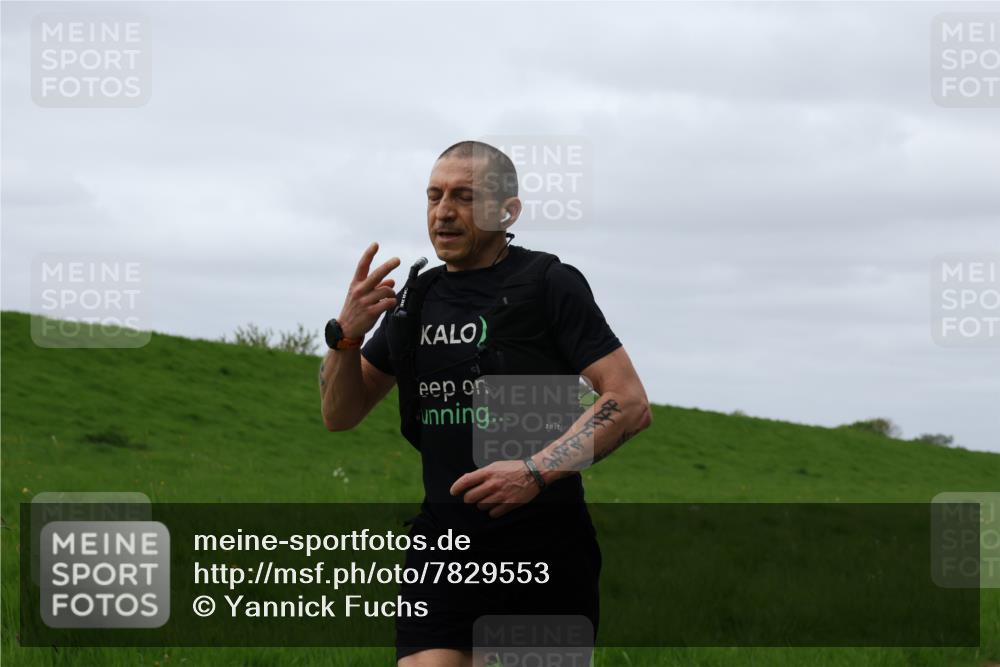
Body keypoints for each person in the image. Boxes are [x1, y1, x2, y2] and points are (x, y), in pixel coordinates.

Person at [319, 140, 652, 666]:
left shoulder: (547, 284)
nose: (444, 211)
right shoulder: (415, 300)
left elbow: (629, 402)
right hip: (443, 551)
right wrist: (344, 338)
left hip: (542, 551)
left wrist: (534, 471)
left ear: (507, 211)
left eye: (464, 196)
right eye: (434, 196)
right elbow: (340, 414)